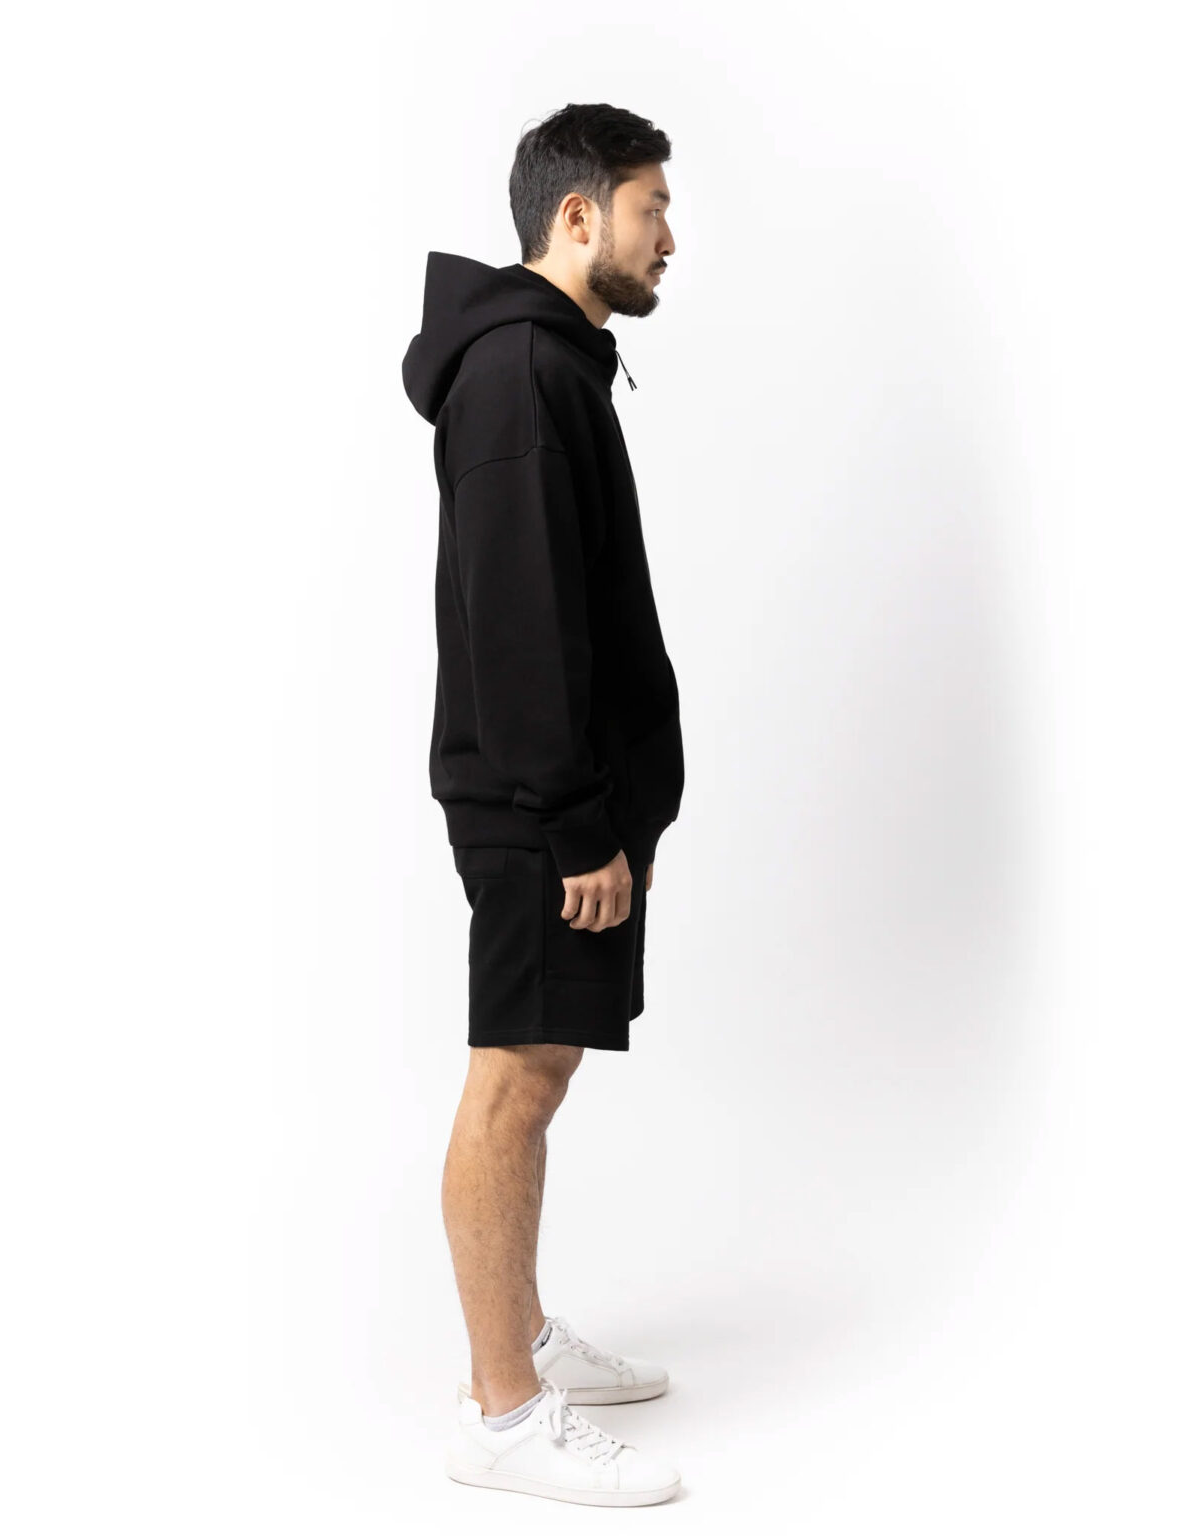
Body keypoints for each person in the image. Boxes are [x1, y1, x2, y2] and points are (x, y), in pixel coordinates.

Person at [401, 102, 686, 1507]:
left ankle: (514, 1338)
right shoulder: (519, 371)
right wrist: (579, 824)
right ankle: (502, 1417)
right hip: (538, 811)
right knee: (512, 1082)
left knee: (541, 1070)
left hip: (565, 803)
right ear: (579, 217)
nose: (667, 237)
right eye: (651, 207)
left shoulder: (551, 361)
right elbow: (518, 623)